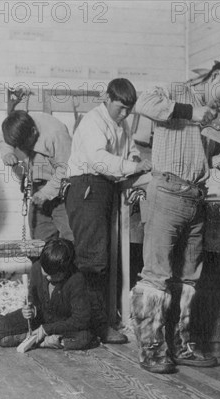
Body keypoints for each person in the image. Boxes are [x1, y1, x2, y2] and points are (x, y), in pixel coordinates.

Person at [130, 61, 220, 374]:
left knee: (188, 279)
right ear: (216, 76)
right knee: (156, 276)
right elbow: (142, 102)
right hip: (167, 194)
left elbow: (200, 153)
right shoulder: (174, 89)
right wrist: (190, 112)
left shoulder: (215, 115)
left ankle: (179, 344)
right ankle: (152, 351)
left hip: (196, 198)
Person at [65, 78, 152, 344]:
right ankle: (92, 326)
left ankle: (94, 323)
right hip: (87, 186)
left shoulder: (120, 123)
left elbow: (131, 150)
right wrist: (131, 167)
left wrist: (135, 160)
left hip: (103, 188)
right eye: (121, 107)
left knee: (101, 260)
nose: (125, 113)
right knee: (93, 262)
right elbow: (99, 159)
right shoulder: (93, 121)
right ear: (107, 98)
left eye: (129, 109)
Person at [0, 238, 98, 351]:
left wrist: (47, 330)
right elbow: (32, 298)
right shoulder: (37, 267)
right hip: (40, 319)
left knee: (84, 337)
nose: (48, 278)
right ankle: (41, 339)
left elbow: (80, 319)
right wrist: (31, 309)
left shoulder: (76, 280)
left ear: (65, 270)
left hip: (63, 325)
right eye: (45, 272)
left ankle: (40, 341)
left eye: (53, 275)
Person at [0, 110, 73, 243]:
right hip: (37, 188)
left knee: (69, 239)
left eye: (25, 145)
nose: (22, 149)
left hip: (61, 190)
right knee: (39, 241)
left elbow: (66, 169)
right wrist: (7, 153)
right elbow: (4, 139)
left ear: (34, 131)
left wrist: (46, 193)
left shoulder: (56, 133)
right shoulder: (17, 127)